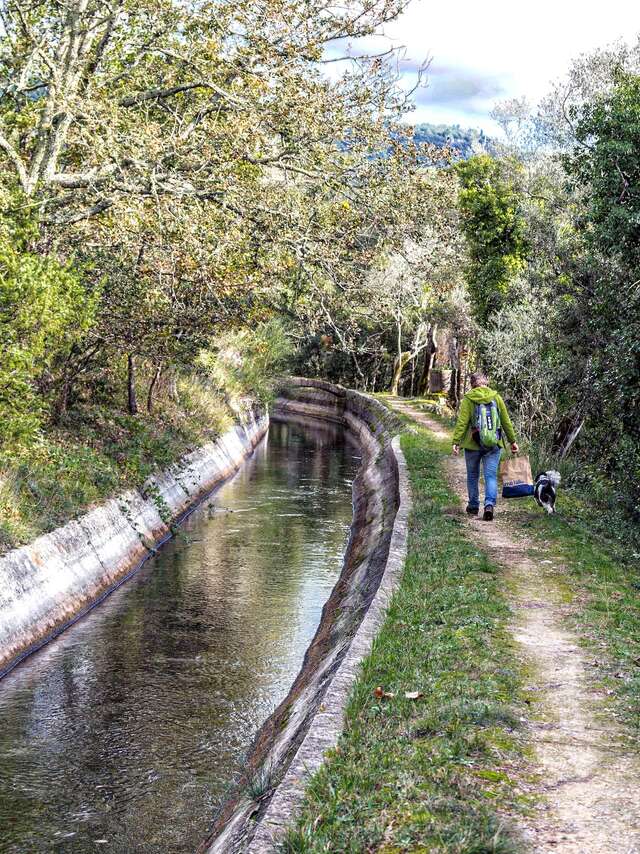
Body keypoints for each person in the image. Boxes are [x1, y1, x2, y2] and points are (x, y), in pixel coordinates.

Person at [451, 371, 519, 521]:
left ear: (472, 384)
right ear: (486, 383)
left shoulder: (469, 399)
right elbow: (506, 421)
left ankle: (474, 506)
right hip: (494, 444)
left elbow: (462, 423)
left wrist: (456, 442)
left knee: (473, 476)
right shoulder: (496, 397)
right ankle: (489, 505)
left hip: (472, 444)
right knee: (490, 476)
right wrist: (512, 441)